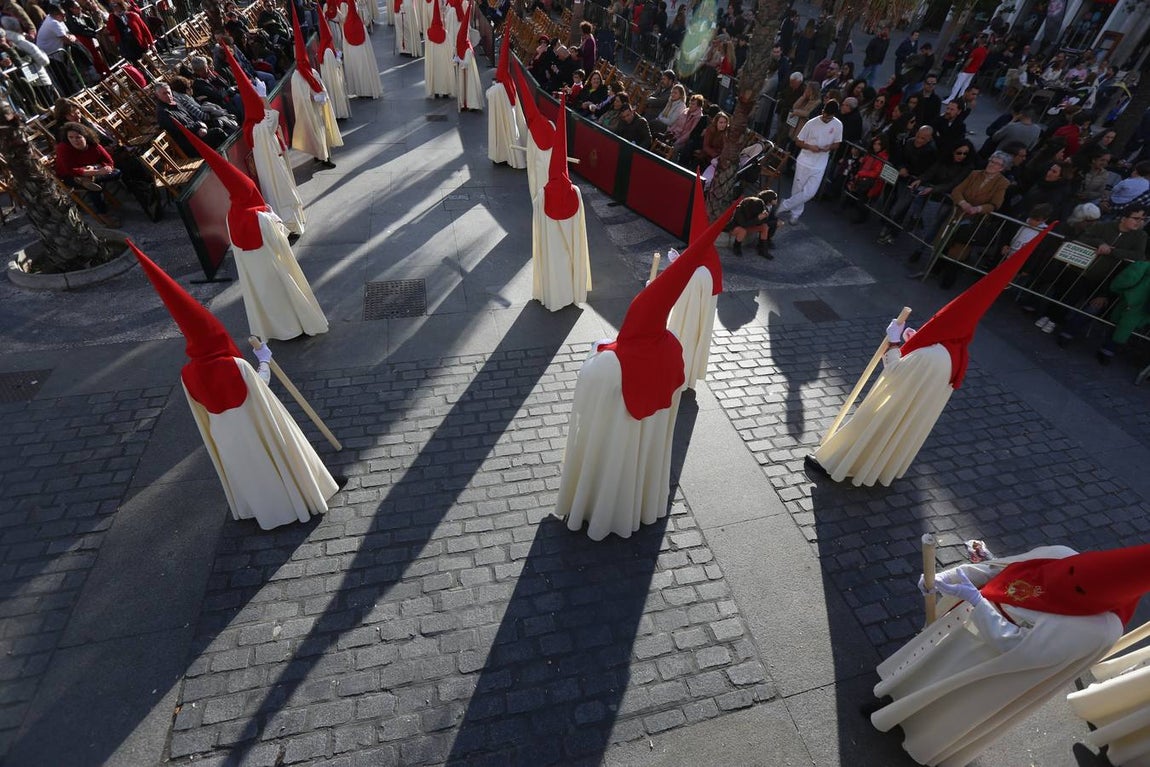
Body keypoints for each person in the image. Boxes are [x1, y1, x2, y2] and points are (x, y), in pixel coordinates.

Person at [808, 227, 1054, 486]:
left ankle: (834, 463)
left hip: (896, 403)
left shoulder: (931, 354)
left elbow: (896, 371)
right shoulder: (955, 350)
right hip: (911, 409)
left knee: (872, 422)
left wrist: (894, 341)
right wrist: (912, 341)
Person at [869, 541, 1150, 767]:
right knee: (926, 668)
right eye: (1074, 570)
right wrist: (949, 577)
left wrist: (977, 602)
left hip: (991, 665)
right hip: (963, 627)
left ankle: (918, 733)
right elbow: (999, 569)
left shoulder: (1097, 630)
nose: (1068, 579)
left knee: (950, 699)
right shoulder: (1062, 556)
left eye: (1078, 586)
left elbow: (1022, 653)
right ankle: (894, 700)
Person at [129, 243, 339, 531]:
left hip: (225, 434)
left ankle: (266, 512)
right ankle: (299, 502)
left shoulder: (187, 374)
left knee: (250, 471)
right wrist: (263, 360)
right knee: (274, 459)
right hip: (255, 424)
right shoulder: (235, 366)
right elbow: (260, 386)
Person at [556, 207, 735, 541]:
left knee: (612, 468)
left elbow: (585, 399)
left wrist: (598, 350)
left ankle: (599, 510)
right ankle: (639, 506)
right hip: (648, 436)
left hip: (615, 437)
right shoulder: (674, 347)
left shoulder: (610, 362)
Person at [531, 94, 591, 312]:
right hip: (570, 242)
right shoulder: (576, 192)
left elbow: (538, 225)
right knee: (570, 259)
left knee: (553, 262)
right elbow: (580, 229)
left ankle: (554, 296)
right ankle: (571, 293)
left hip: (551, 242)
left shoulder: (542, 195)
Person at [288, 11, 341, 168]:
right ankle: (324, 158)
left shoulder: (311, 71)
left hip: (317, 108)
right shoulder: (296, 77)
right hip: (309, 111)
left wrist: (322, 94)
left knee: (321, 132)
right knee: (317, 132)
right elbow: (300, 97)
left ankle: (321, 154)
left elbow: (318, 82)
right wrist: (313, 98)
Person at [778, 100, 842, 225]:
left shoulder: (838, 125)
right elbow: (798, 141)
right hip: (804, 161)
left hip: (820, 163)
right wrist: (810, 147)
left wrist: (828, 147)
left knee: (810, 193)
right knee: (797, 189)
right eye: (824, 115)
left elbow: (837, 143)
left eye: (829, 118)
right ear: (822, 111)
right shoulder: (811, 123)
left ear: (834, 115)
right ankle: (795, 214)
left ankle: (785, 205)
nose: (825, 119)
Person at [54, 121, 121, 226]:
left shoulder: (94, 145)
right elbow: (71, 170)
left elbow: (109, 161)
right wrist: (96, 172)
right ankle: (103, 214)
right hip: (70, 176)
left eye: (78, 137)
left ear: (85, 136)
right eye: (71, 137)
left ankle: (87, 180)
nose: (74, 140)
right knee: (93, 186)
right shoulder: (63, 148)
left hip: (91, 172)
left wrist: (97, 168)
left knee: (116, 172)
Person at [155, 82, 228, 157]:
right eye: (164, 94)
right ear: (158, 96)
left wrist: (201, 126)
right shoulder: (163, 113)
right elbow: (179, 131)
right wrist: (198, 126)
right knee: (218, 132)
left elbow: (192, 116)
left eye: (169, 92)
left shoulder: (174, 102)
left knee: (218, 122)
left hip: (197, 132)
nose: (168, 95)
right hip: (190, 142)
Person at [486, 29, 524, 169]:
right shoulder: (509, 82)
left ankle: (500, 155)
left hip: (500, 114)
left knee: (500, 134)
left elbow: (489, 95)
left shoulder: (498, 88)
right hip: (508, 113)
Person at [729, 188, 777, 258]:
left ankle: (762, 249)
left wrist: (764, 217)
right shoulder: (740, 210)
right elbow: (744, 224)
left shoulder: (761, 207)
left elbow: (762, 222)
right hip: (736, 227)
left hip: (750, 225)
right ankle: (736, 247)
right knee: (742, 231)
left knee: (764, 227)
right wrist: (757, 218)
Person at [453, 4, 483, 112]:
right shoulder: (464, 45)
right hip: (465, 69)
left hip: (467, 70)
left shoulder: (468, 49)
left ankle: (471, 103)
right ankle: (465, 101)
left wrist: (458, 60)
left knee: (469, 86)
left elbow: (465, 63)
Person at [422, 0, 453, 98]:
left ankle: (435, 91)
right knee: (443, 72)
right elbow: (449, 48)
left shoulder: (428, 33)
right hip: (443, 58)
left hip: (434, 59)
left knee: (435, 72)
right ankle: (445, 91)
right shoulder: (445, 33)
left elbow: (427, 50)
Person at [945, 33, 987, 103]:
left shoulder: (976, 50)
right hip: (973, 70)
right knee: (965, 86)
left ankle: (951, 98)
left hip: (967, 70)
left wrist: (963, 68)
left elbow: (969, 61)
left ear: (980, 40)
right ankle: (961, 99)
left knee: (958, 84)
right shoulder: (985, 51)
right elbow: (981, 62)